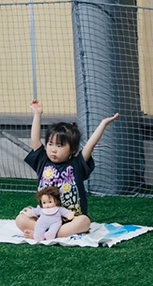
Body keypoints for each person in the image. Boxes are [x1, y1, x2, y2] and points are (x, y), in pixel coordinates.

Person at [15, 100, 119, 239]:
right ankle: (50, 233)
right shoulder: (43, 162)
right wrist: (37, 114)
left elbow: (90, 145)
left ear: (73, 149)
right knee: (20, 220)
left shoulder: (77, 165)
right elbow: (35, 139)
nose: (53, 149)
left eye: (59, 146)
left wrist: (103, 124)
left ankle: (42, 234)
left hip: (69, 219)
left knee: (84, 222)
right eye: (50, 144)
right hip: (45, 218)